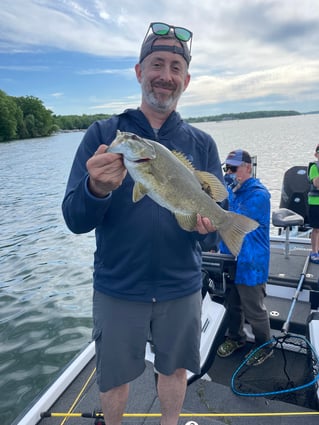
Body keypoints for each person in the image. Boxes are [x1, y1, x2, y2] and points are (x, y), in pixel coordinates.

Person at [62, 22, 223, 425]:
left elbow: (211, 235)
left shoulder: (202, 144)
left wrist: (208, 228)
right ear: (139, 71)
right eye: (156, 64)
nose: (165, 76)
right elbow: (74, 220)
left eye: (174, 68)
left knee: (175, 369)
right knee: (114, 376)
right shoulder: (104, 134)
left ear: (185, 80)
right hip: (119, 285)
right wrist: (95, 188)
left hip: (180, 284)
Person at [217, 149, 273, 366]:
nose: (229, 172)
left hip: (251, 261)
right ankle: (236, 338)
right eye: (226, 168)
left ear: (248, 168)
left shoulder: (259, 194)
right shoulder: (231, 191)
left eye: (234, 168)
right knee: (232, 304)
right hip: (230, 258)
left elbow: (234, 222)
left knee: (254, 309)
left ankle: (264, 345)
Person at [308, 144, 319, 264]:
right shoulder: (314, 167)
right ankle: (314, 252)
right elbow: (316, 183)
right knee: (316, 228)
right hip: (316, 202)